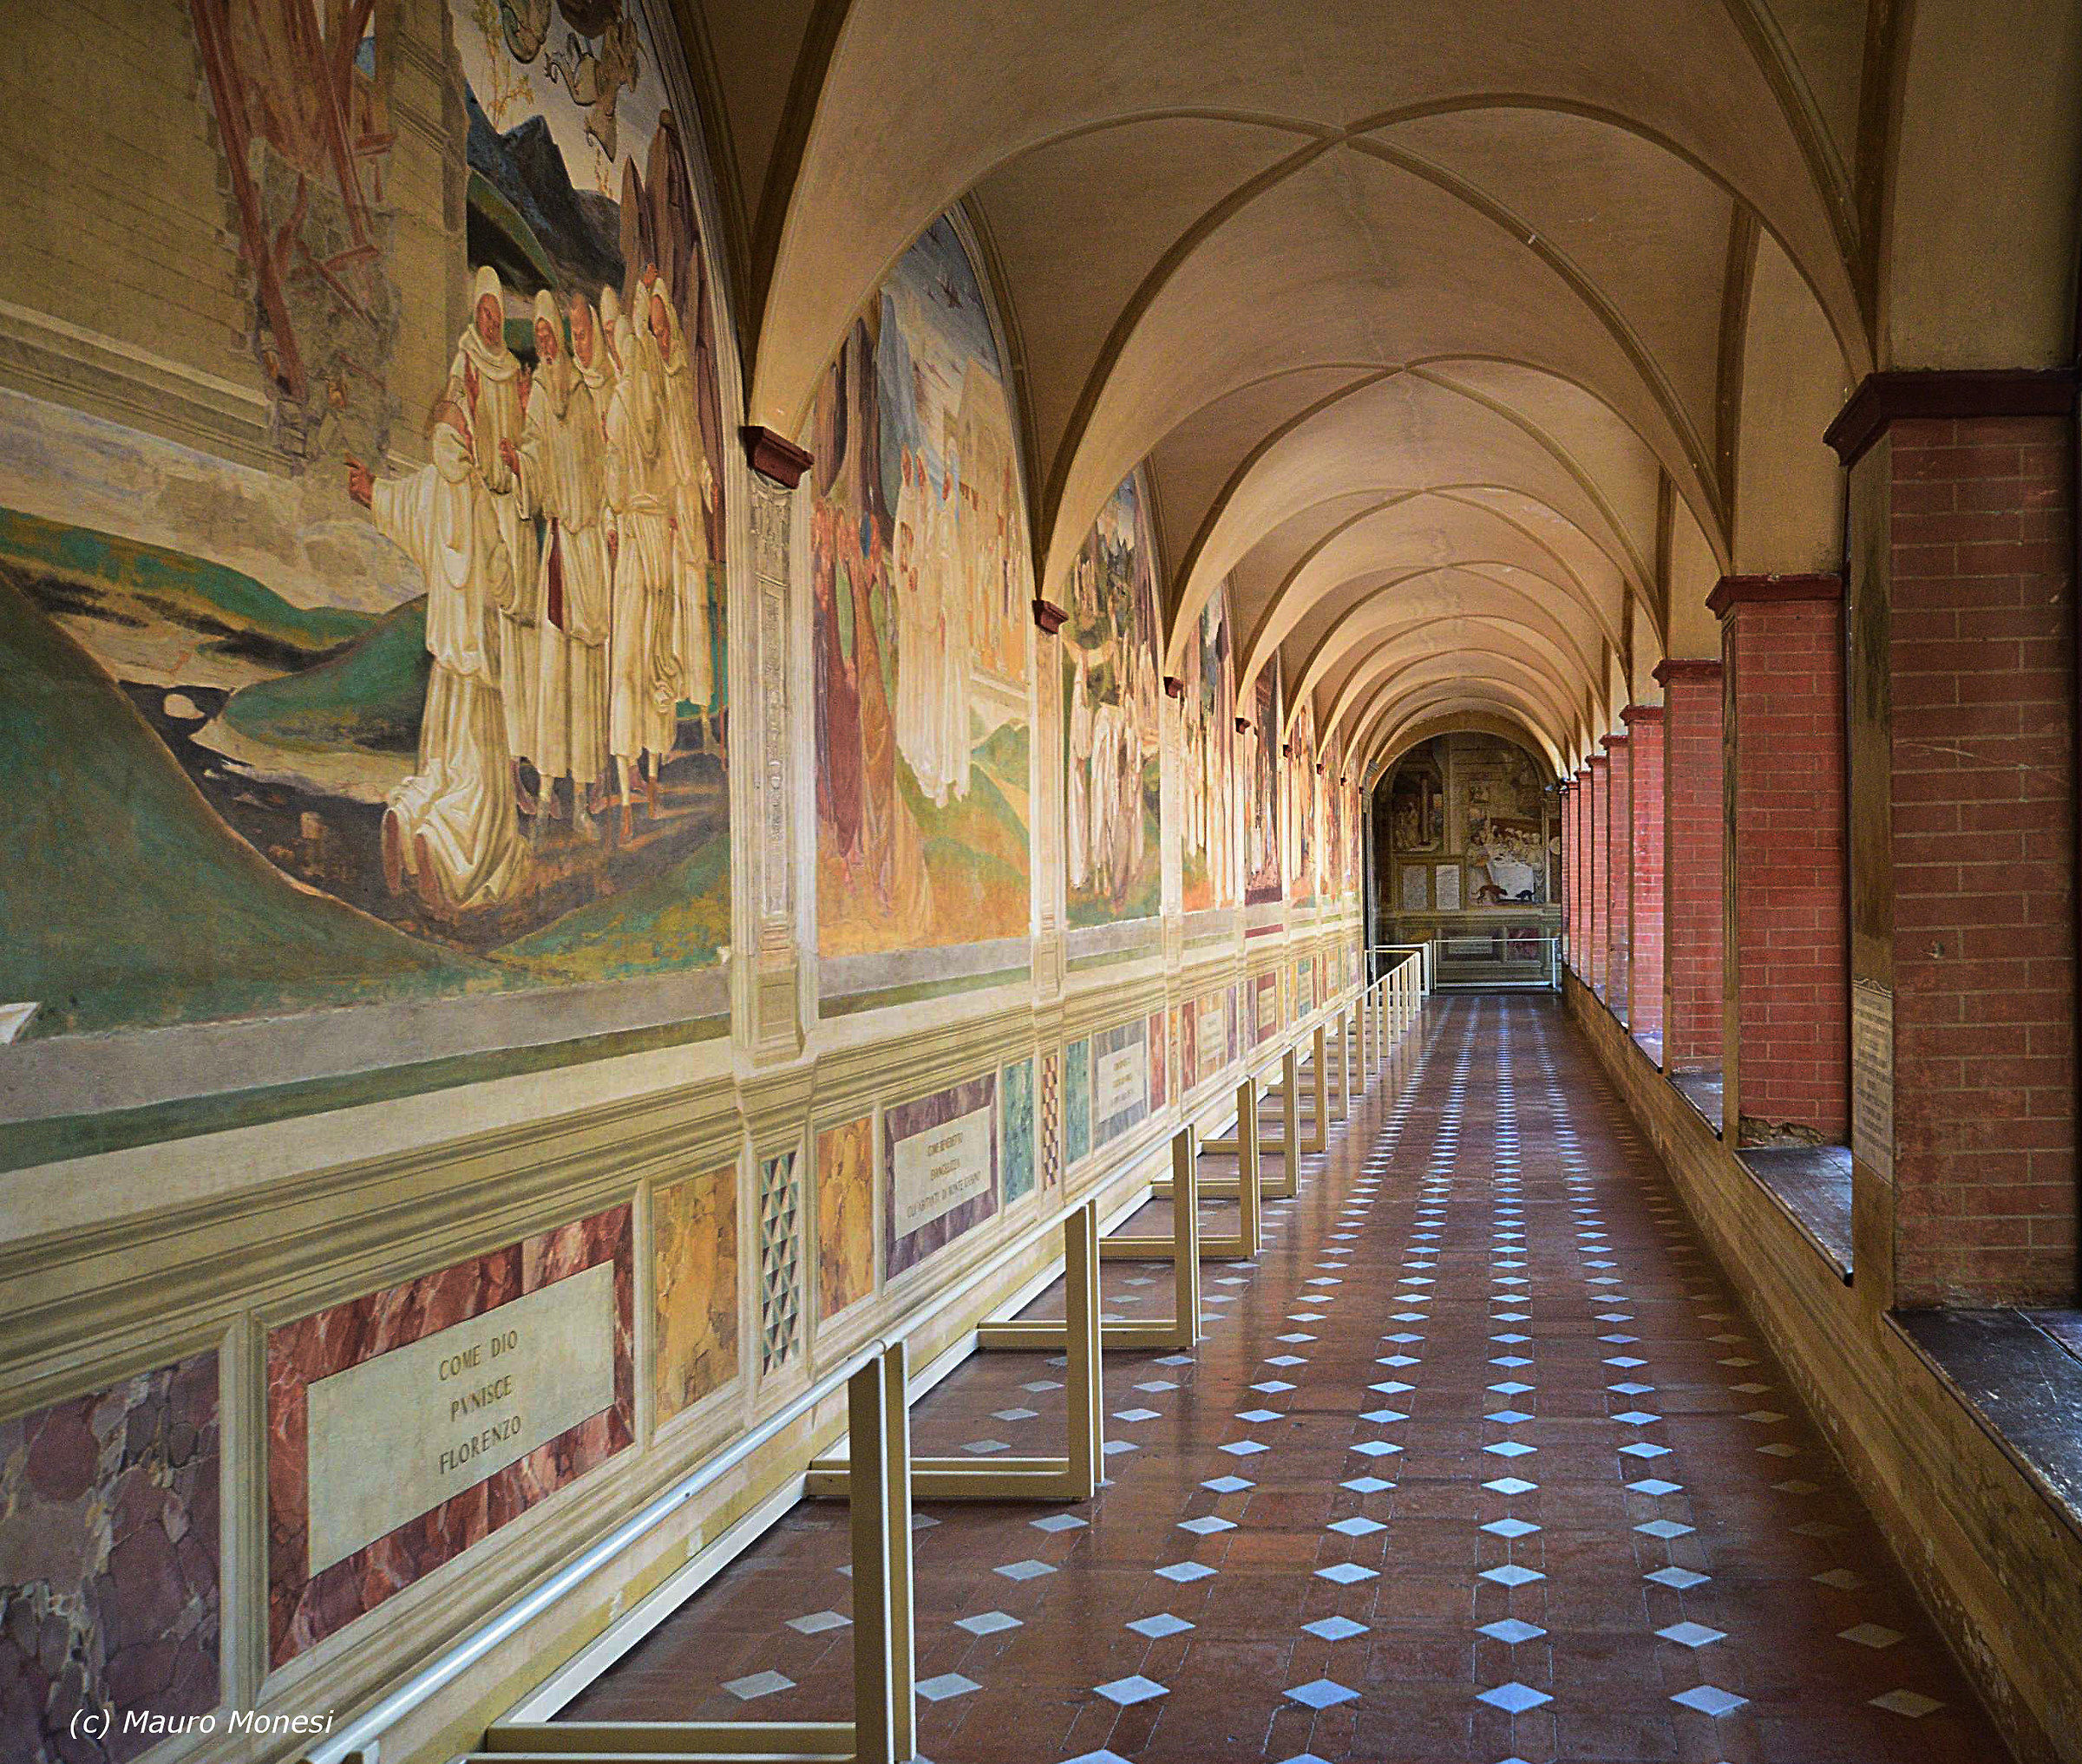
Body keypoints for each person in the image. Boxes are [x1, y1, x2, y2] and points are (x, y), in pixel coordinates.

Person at [346, 402, 527, 911]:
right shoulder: (474, 494)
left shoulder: (425, 487)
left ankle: (406, 818)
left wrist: (368, 487)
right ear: (464, 435)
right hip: (480, 663)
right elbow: (501, 576)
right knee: (480, 780)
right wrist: (518, 595)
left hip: (445, 664)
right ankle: (443, 845)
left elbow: (383, 499)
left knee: (441, 761)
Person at [503, 291, 611, 841]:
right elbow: (535, 459)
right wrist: (517, 466)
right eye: (540, 335)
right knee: (553, 680)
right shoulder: (540, 396)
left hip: (586, 548)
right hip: (559, 555)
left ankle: (582, 806)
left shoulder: (588, 397)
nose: (545, 342)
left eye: (551, 335)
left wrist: (596, 517)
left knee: (585, 684)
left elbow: (601, 463)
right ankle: (546, 794)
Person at [448, 265, 540, 811]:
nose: (489, 322)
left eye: (496, 314)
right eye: (483, 312)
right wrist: (472, 405)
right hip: (486, 515)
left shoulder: (511, 369)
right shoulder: (466, 364)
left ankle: (517, 766)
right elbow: (453, 423)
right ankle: (487, 775)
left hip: (517, 519)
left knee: (521, 650)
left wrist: (524, 416)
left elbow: (529, 444)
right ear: (474, 314)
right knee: (489, 646)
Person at [602, 309, 680, 840]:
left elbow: (622, 478)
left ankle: (645, 787)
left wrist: (620, 518)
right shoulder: (635, 408)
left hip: (644, 548)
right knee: (636, 669)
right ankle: (638, 790)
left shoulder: (641, 409)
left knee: (646, 669)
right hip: (640, 546)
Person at [645, 275, 719, 755]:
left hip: (691, 512)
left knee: (698, 620)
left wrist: (706, 478)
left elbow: (692, 445)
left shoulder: (682, 383)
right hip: (670, 521)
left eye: (664, 328)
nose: (663, 338)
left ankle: (707, 717)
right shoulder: (650, 386)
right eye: (655, 332)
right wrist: (667, 503)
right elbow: (652, 457)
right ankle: (670, 722)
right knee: (672, 625)